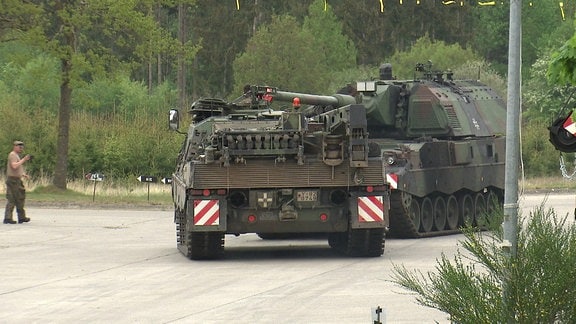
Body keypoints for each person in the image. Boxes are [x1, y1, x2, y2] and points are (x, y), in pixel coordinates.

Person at [4, 141, 31, 224]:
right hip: (13, 180)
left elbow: (17, 168)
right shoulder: (12, 155)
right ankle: (8, 218)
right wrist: (24, 159)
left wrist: (23, 174)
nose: (21, 149)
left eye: (22, 147)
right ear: (15, 146)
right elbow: (14, 166)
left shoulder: (16, 155)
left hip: (17, 180)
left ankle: (21, 217)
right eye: (19, 147)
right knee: (13, 199)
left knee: (20, 198)